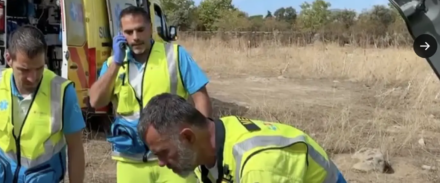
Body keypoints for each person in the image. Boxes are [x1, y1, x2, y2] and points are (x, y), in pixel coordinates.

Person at [89, 6, 212, 183]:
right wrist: (116, 63)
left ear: (151, 28)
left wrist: (201, 144)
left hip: (174, 157)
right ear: (121, 34)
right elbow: (95, 100)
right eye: (129, 32)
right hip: (130, 159)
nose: (136, 37)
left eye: (140, 30)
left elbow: (201, 98)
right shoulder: (113, 64)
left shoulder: (175, 55)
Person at [0, 25, 86, 183]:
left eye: (39, 68)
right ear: (8, 59)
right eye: (24, 70)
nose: (32, 77)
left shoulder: (63, 93)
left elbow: (75, 147)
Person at [138, 93, 348, 183]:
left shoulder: (259, 167)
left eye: (163, 153)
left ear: (187, 137)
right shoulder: (211, 141)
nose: (162, 163)